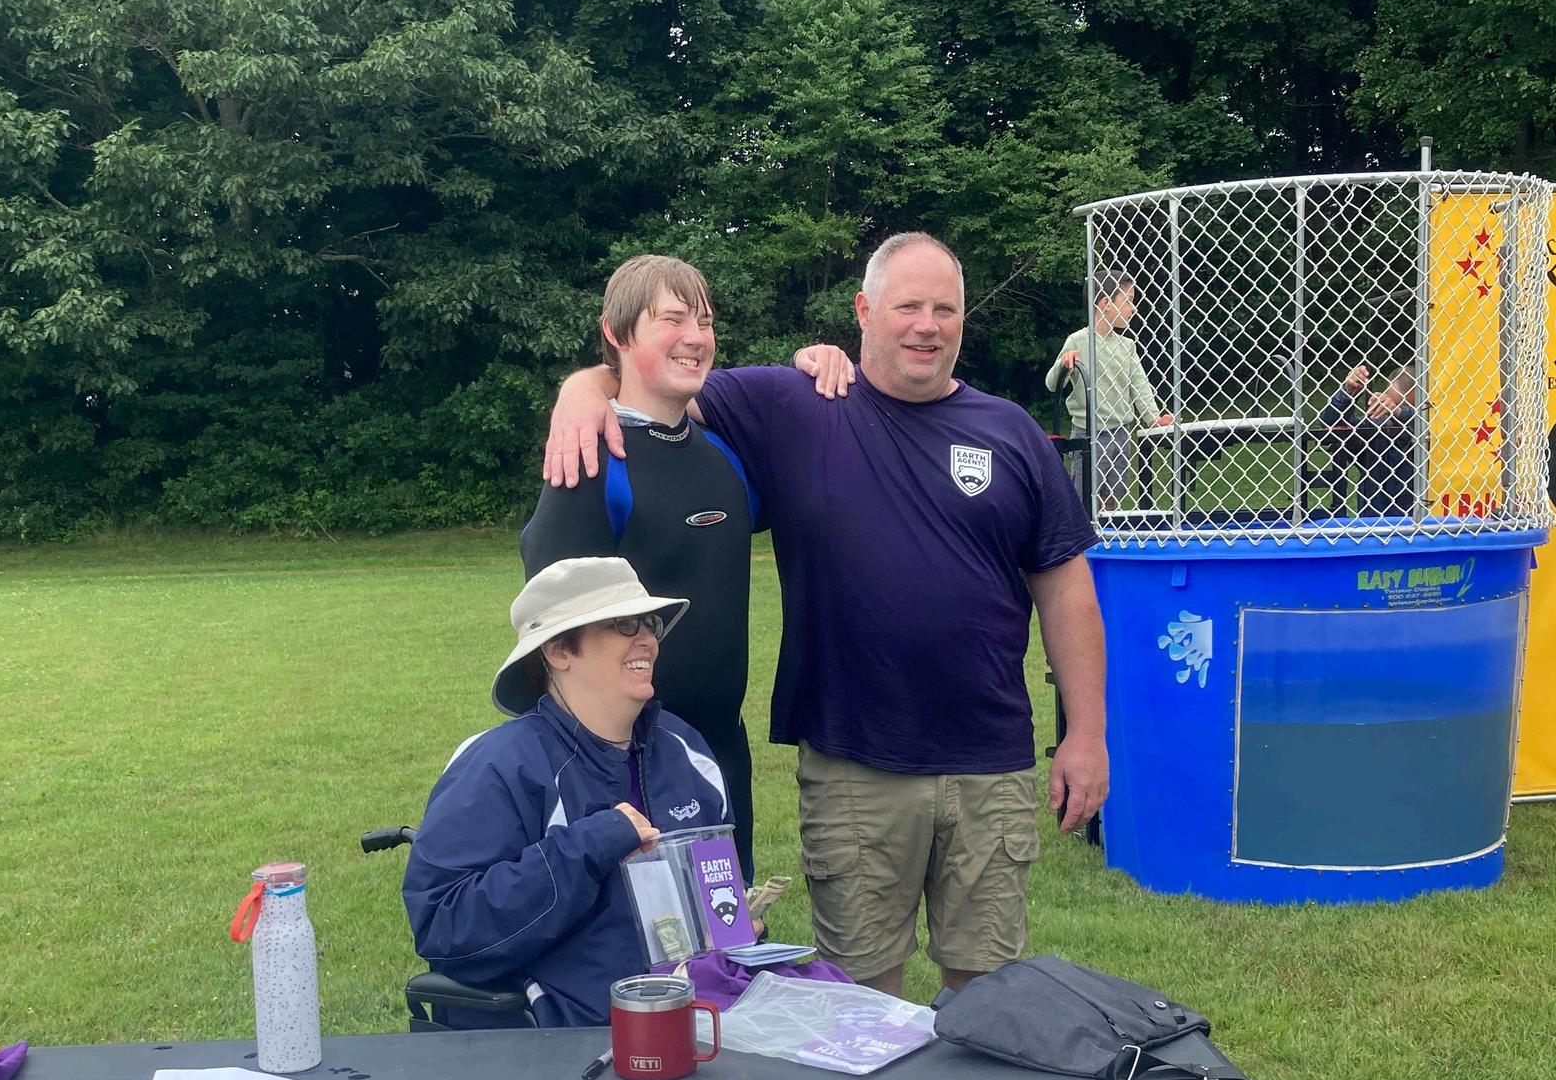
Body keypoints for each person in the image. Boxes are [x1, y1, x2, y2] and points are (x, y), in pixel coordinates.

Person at [545, 233, 1109, 998]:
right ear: (864, 311)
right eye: (907, 306)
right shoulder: (793, 406)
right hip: (853, 765)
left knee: (988, 992)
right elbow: (658, 380)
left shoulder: (1010, 432)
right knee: (860, 996)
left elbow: (1066, 588)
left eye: (944, 309)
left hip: (989, 762)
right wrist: (581, 390)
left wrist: (1085, 734)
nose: (926, 325)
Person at [402, 556, 730, 1027]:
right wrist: (588, 845)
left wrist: (733, 925)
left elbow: (720, 890)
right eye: (624, 624)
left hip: (702, 1018)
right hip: (564, 1042)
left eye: (650, 623)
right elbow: (445, 927)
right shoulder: (499, 765)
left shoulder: (686, 751)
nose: (647, 640)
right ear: (559, 650)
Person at [521, 255, 760, 876]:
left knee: (727, 927)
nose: (695, 337)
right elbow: (551, 624)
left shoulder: (726, 456)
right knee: (640, 935)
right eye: (672, 320)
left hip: (718, 754)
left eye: (705, 321)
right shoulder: (593, 456)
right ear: (617, 332)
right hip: (619, 768)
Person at [1045, 272, 1172, 509]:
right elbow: (1052, 384)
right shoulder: (1077, 341)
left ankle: (1108, 529)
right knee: (1083, 496)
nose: (1133, 308)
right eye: (1128, 301)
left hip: (1121, 432)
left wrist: (1153, 418)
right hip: (1089, 432)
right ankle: (1085, 530)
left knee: (1113, 496)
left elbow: (1139, 384)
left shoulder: (1127, 346)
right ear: (1105, 303)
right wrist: (1064, 364)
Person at [1319, 363, 1417, 515]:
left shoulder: (1434, 433)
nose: (1389, 411)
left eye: (1401, 406)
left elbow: (1422, 423)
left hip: (1422, 521)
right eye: (1388, 404)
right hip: (1373, 524)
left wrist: (1400, 413)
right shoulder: (1376, 428)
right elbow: (1330, 424)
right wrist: (1347, 394)